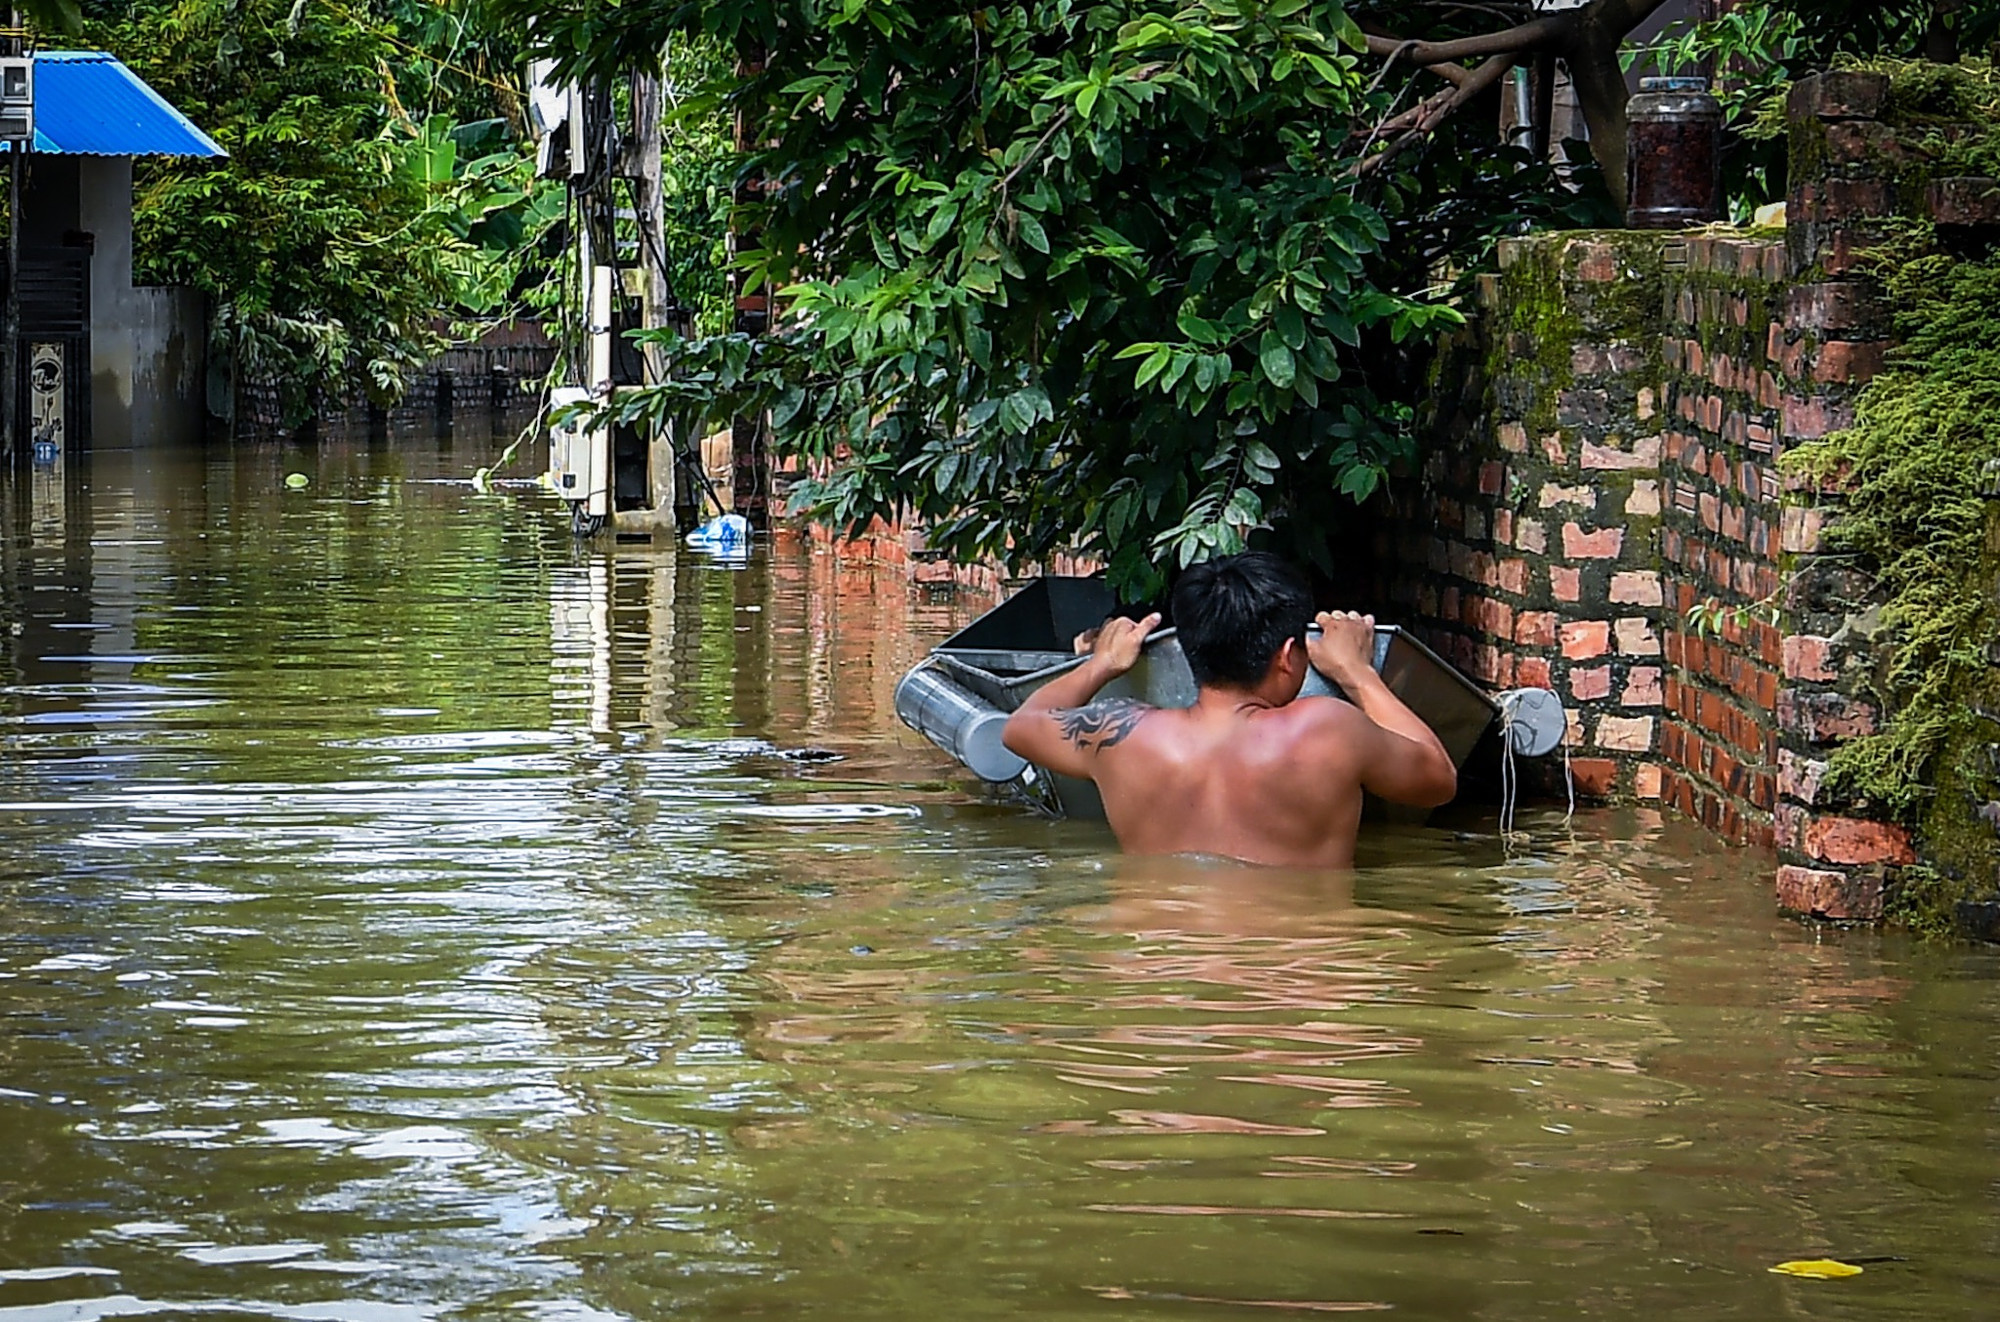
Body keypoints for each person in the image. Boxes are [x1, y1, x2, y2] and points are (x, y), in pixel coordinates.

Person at [999, 551, 1457, 869]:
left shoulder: (1122, 734)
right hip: (1301, 979)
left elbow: (1020, 727)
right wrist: (1357, 672)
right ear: (1287, 654)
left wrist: (1101, 664)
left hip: (1155, 981)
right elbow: (1438, 780)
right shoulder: (1327, 729)